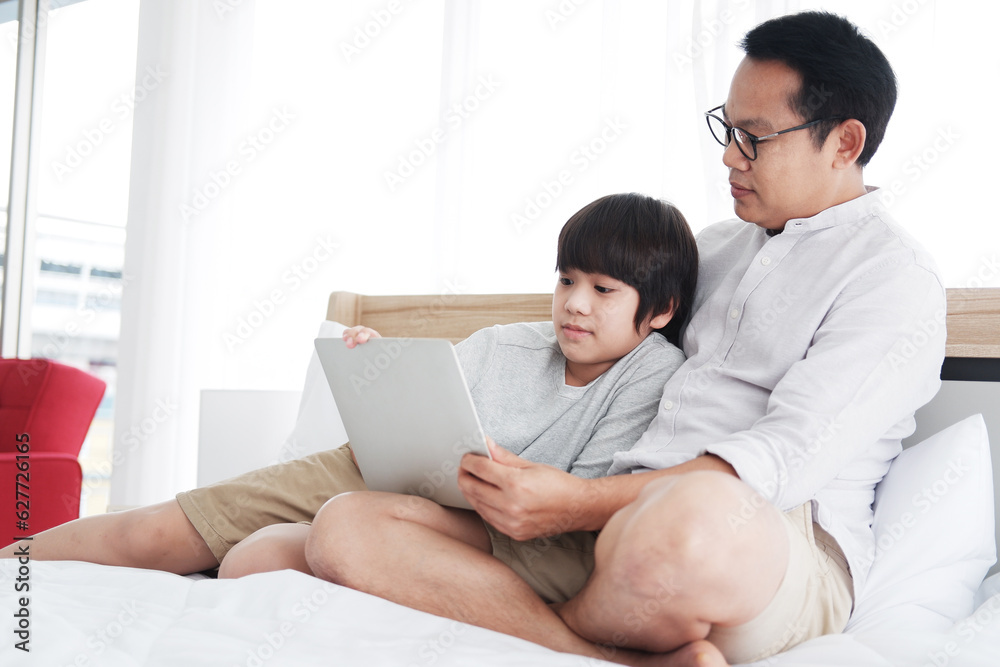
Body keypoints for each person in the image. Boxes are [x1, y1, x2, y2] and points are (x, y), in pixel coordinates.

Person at [301, 11, 946, 667]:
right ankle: (610, 655)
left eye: (754, 136)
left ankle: (547, 623)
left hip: (766, 548)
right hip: (614, 518)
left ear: (844, 142)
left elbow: (779, 462)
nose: (728, 156)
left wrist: (574, 502)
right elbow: (597, 334)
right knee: (345, 526)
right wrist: (437, 374)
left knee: (695, 512)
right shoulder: (716, 249)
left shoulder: (894, 280)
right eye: (727, 128)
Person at [0, 193, 698, 582]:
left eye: (603, 290)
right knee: (165, 526)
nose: (574, 304)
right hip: (377, 474)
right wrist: (378, 364)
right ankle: (13, 573)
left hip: (483, 529)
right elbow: (426, 400)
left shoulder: (653, 376)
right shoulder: (505, 342)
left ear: (660, 309)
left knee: (253, 561)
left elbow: (581, 515)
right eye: (566, 280)